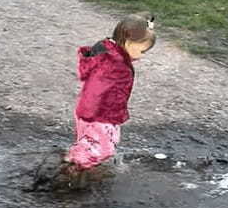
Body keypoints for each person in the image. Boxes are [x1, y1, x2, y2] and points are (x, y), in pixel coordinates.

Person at [55, 13, 156, 188]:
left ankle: (79, 167)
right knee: (104, 148)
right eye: (142, 50)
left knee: (95, 144)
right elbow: (96, 89)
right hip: (98, 114)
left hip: (100, 112)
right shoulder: (113, 65)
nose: (142, 56)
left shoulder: (111, 52)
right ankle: (72, 165)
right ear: (128, 42)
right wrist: (92, 115)